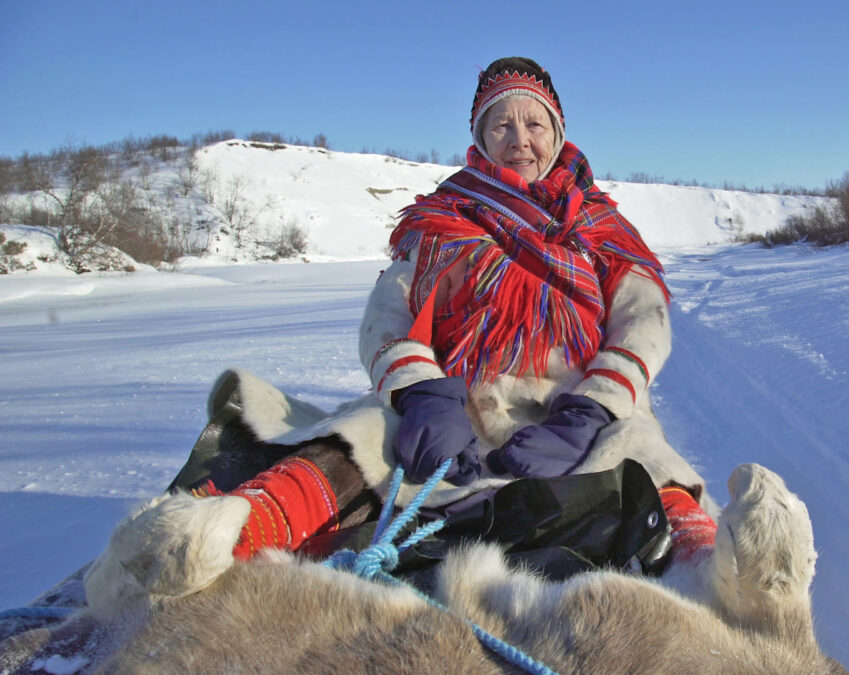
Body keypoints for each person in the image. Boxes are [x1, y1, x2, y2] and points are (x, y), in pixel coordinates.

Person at [84, 58, 717, 610]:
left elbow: (643, 323)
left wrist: (588, 410)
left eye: (534, 124)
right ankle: (227, 534)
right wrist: (421, 394)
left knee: (639, 444)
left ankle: (704, 566)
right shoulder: (441, 222)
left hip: (573, 412)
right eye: (501, 124)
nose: (518, 138)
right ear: (480, 136)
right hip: (455, 412)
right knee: (360, 432)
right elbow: (388, 318)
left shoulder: (600, 227)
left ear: (557, 132)